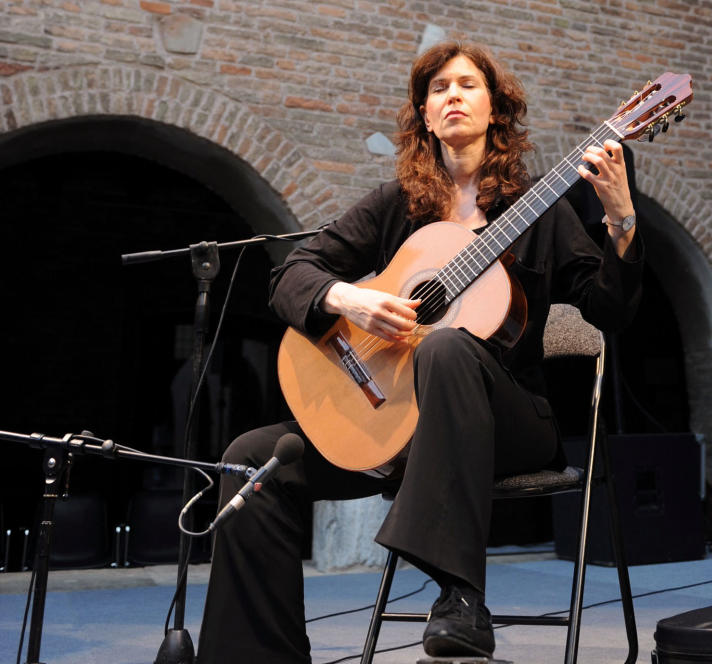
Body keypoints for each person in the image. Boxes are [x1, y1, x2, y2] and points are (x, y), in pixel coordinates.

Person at [196, 40, 643, 663]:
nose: (452, 95)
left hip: (508, 423)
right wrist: (348, 301)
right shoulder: (395, 207)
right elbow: (291, 276)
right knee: (253, 460)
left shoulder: (542, 209)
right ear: (425, 117)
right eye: (438, 89)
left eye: (467, 85)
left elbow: (611, 311)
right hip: (400, 423)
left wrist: (620, 221)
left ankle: (460, 598)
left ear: (496, 109)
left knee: (449, 349)